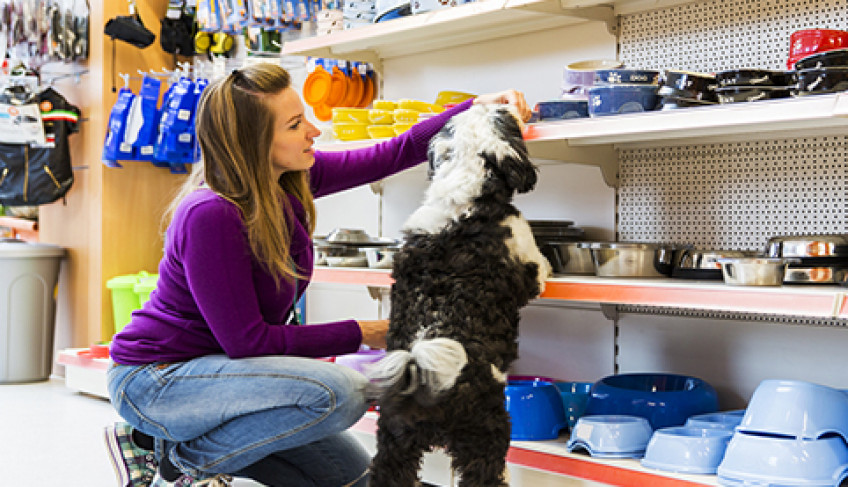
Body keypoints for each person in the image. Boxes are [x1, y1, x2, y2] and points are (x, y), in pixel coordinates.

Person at [104, 62, 531, 487]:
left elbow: (393, 152)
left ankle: (166, 444)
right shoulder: (210, 214)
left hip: (224, 373)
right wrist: (368, 331)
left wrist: (474, 109)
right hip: (159, 380)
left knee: (353, 477)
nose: (314, 130)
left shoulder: (289, 181)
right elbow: (247, 341)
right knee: (343, 393)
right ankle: (180, 461)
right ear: (253, 143)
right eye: (295, 124)